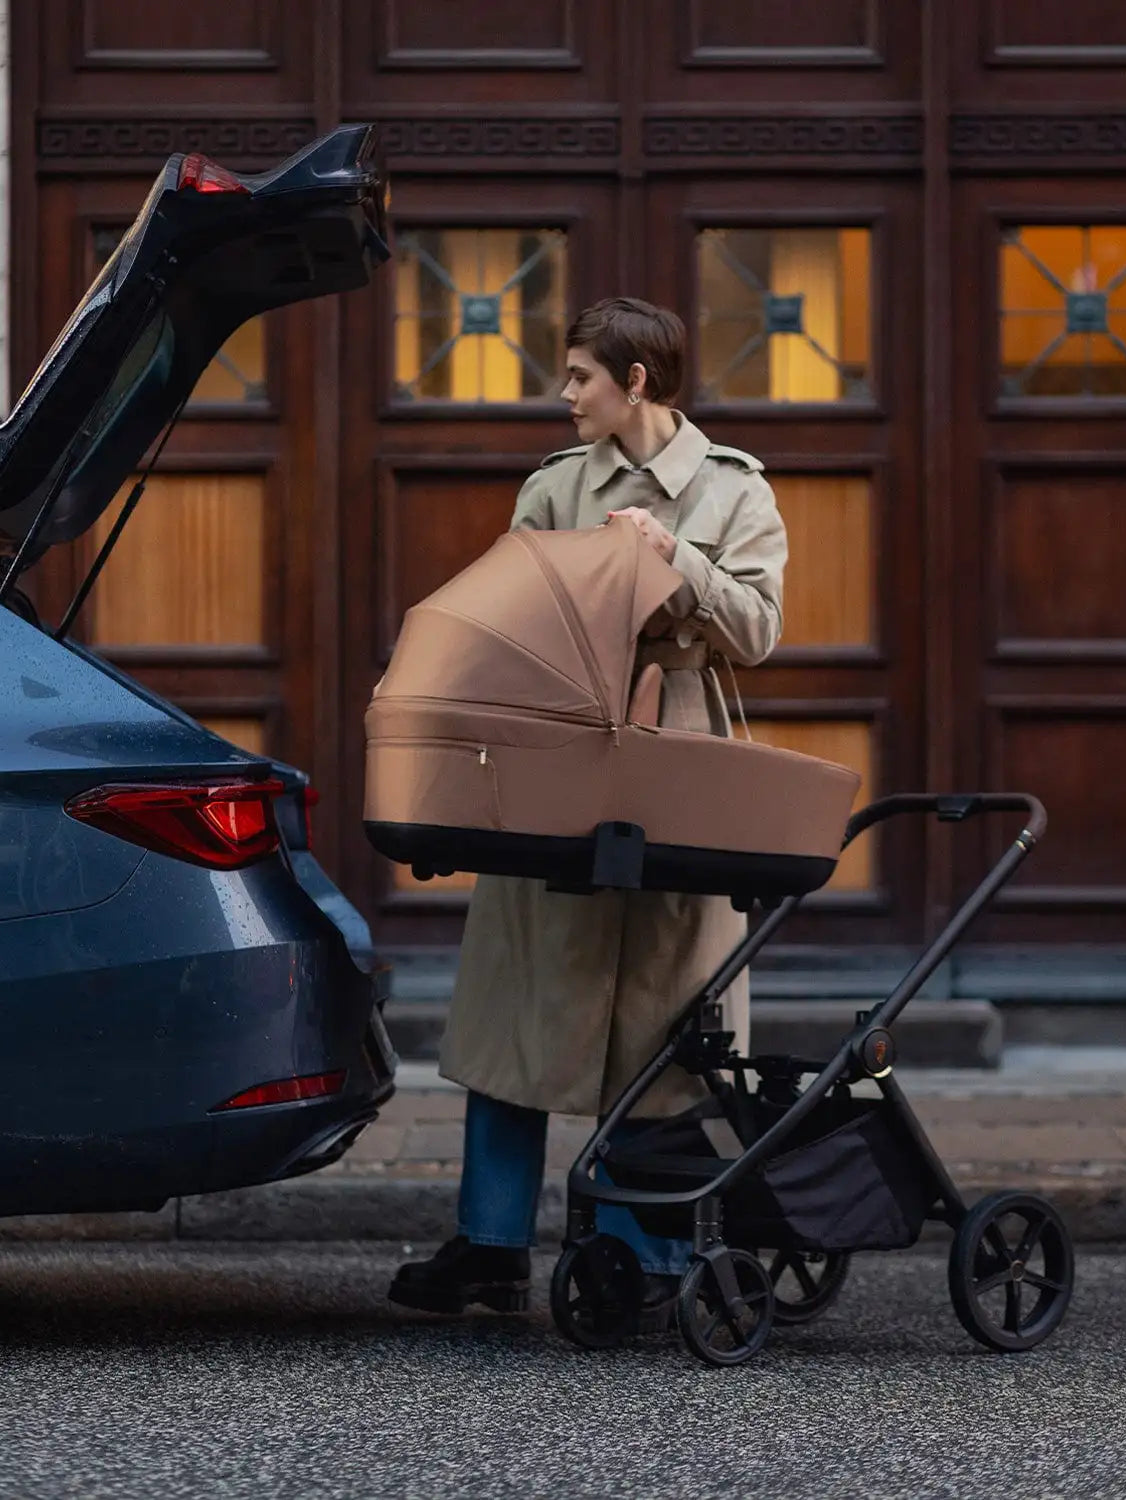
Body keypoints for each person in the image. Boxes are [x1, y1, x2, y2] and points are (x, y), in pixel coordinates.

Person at [388, 297, 787, 1325]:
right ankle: (487, 1246)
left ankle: (635, 1246)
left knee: (665, 1017)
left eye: (577, 377)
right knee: (520, 1001)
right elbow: (504, 613)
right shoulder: (554, 487)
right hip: (555, 757)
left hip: (676, 765)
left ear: (634, 384)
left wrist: (673, 559)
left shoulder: (734, 491)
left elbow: (757, 629)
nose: (562, 395)